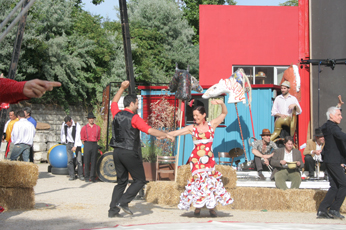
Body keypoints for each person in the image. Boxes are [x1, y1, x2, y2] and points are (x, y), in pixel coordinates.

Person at [108, 81, 174, 218]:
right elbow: (149, 130)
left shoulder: (116, 114)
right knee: (140, 180)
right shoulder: (135, 118)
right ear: (131, 104)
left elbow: (113, 102)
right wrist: (166, 135)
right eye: (137, 103)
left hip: (117, 152)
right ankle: (123, 202)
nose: (138, 106)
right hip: (129, 153)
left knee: (121, 182)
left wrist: (121, 88)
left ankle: (112, 211)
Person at [167, 100, 233, 218]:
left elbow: (224, 113)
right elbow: (176, 132)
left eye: (197, 115)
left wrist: (221, 103)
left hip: (209, 159)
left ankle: (211, 207)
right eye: (194, 116)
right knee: (199, 182)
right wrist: (165, 134)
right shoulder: (192, 128)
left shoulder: (212, 125)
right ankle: (198, 207)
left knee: (209, 182)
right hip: (196, 160)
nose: (195, 117)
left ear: (204, 115)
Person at [317, 107, 346, 219]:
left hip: (331, 159)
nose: (341, 117)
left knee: (334, 186)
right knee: (344, 184)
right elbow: (340, 135)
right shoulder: (332, 127)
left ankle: (322, 210)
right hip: (333, 160)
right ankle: (334, 209)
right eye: (338, 115)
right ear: (332, 116)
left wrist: (338, 106)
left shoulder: (328, 125)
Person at [60, 116, 84, 181]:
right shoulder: (64, 125)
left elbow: (77, 136)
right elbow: (62, 133)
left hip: (76, 143)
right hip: (68, 143)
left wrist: (75, 146)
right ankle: (72, 175)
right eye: (67, 124)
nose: (68, 125)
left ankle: (80, 175)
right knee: (69, 160)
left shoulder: (77, 125)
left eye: (69, 124)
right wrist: (64, 141)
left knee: (79, 160)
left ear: (71, 121)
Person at [80, 112, 100, 183]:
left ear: (93, 119)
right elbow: (82, 138)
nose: (91, 120)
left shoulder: (98, 128)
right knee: (87, 161)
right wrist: (85, 144)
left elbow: (98, 137)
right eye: (90, 118)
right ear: (88, 119)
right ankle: (86, 176)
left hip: (94, 143)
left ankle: (93, 177)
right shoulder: (84, 128)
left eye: (92, 118)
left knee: (94, 161)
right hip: (87, 143)